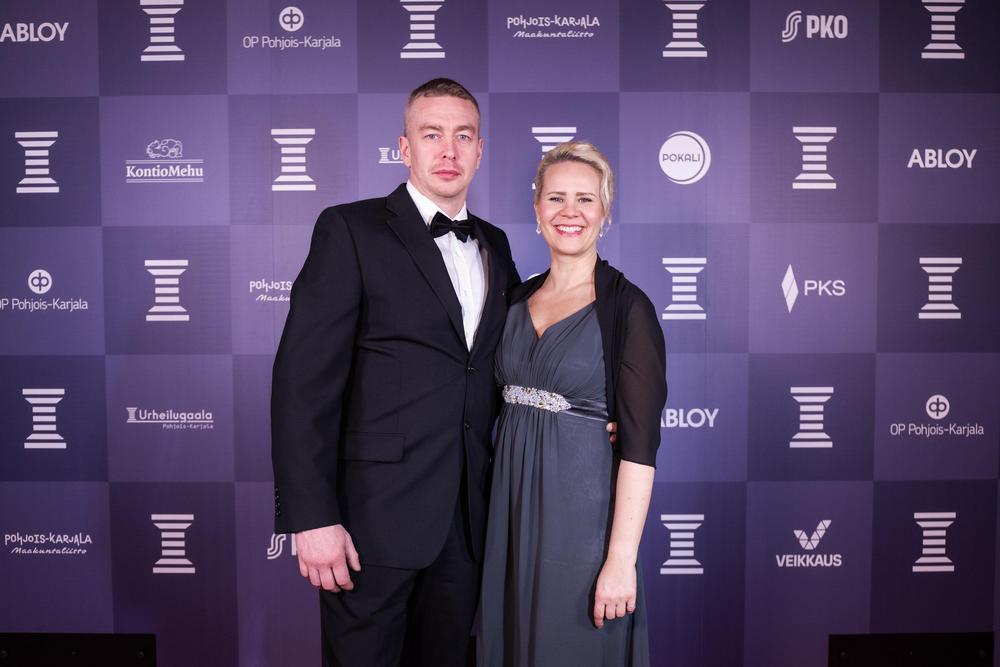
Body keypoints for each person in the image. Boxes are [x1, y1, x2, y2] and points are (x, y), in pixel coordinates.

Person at [270, 78, 520, 666]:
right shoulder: (350, 230)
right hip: (368, 526)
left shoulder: (496, 244)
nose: (449, 151)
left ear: (480, 150)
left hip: (465, 527)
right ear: (404, 148)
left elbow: (500, 370)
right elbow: (301, 385)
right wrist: (313, 518)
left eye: (463, 136)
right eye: (431, 135)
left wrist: (588, 417)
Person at [478, 141, 667, 666]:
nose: (570, 212)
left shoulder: (628, 308)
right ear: (536, 207)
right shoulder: (513, 299)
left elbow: (640, 449)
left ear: (605, 213)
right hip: (509, 515)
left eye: (585, 199)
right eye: (556, 197)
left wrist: (621, 559)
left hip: (583, 520)